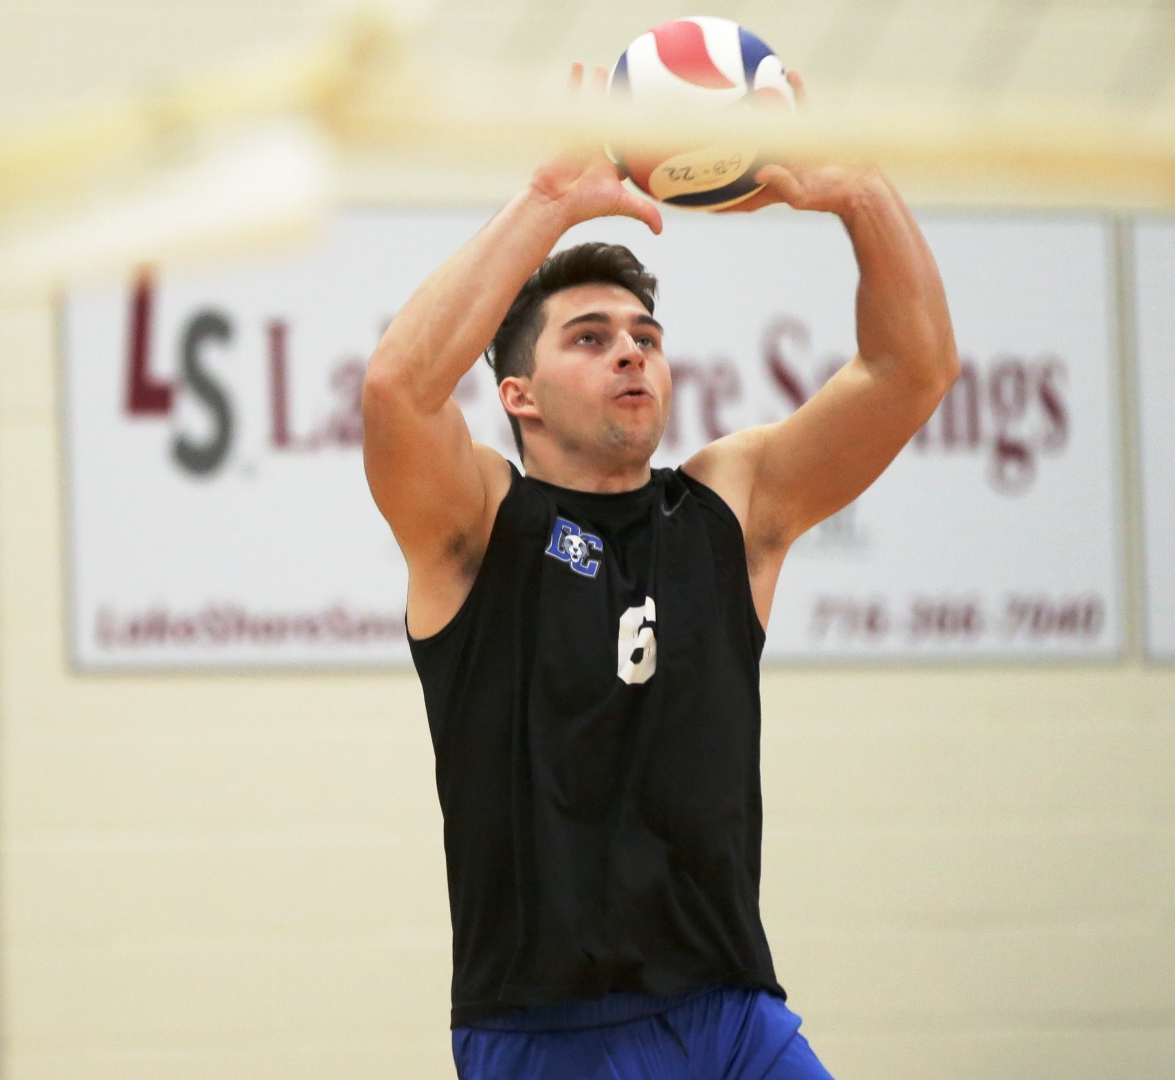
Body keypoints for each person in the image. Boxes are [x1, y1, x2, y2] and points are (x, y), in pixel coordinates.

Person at [359, 66, 958, 1080]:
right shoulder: (477, 526)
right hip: (551, 1032)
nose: (631, 355)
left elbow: (914, 370)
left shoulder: (729, 505)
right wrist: (545, 204)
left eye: (645, 337)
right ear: (520, 396)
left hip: (735, 1017)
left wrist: (860, 190)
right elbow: (395, 393)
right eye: (590, 340)